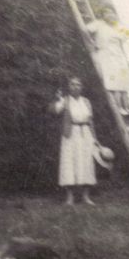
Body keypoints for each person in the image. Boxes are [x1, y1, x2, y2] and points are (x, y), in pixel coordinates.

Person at [49, 77, 99, 206]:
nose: (75, 87)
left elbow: (90, 121)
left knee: (86, 163)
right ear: (69, 87)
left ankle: (86, 197)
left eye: (78, 85)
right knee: (69, 163)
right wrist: (57, 99)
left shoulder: (86, 101)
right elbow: (54, 110)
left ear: (81, 87)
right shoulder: (65, 100)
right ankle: (69, 198)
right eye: (72, 85)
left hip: (86, 134)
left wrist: (95, 138)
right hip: (70, 134)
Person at [86, 8, 129, 116]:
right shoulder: (98, 24)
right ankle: (119, 107)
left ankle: (126, 108)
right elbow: (86, 30)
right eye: (106, 13)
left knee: (124, 83)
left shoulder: (118, 27)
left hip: (119, 55)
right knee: (114, 83)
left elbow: (125, 39)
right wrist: (92, 42)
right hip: (106, 56)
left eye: (112, 13)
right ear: (102, 15)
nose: (110, 15)